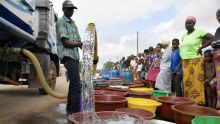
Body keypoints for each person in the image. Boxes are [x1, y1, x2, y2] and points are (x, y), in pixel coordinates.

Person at [56, 0, 83, 115]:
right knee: (77, 85)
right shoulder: (61, 22)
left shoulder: (73, 24)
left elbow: (79, 42)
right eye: (69, 9)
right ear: (64, 9)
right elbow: (66, 42)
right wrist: (80, 44)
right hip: (68, 56)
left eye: (73, 9)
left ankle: (70, 110)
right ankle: (75, 113)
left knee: (73, 84)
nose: (72, 11)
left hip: (75, 57)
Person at [179, 16, 213, 105]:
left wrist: (201, 47)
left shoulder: (199, 31)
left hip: (195, 60)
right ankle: (188, 101)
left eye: (190, 23)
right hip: (185, 61)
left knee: (196, 82)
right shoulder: (184, 35)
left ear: (194, 24)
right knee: (187, 82)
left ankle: (198, 103)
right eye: (186, 23)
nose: (187, 25)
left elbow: (211, 37)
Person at [211, 8, 220, 108]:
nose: (219, 17)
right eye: (218, 15)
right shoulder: (218, 30)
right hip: (217, 63)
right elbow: (214, 44)